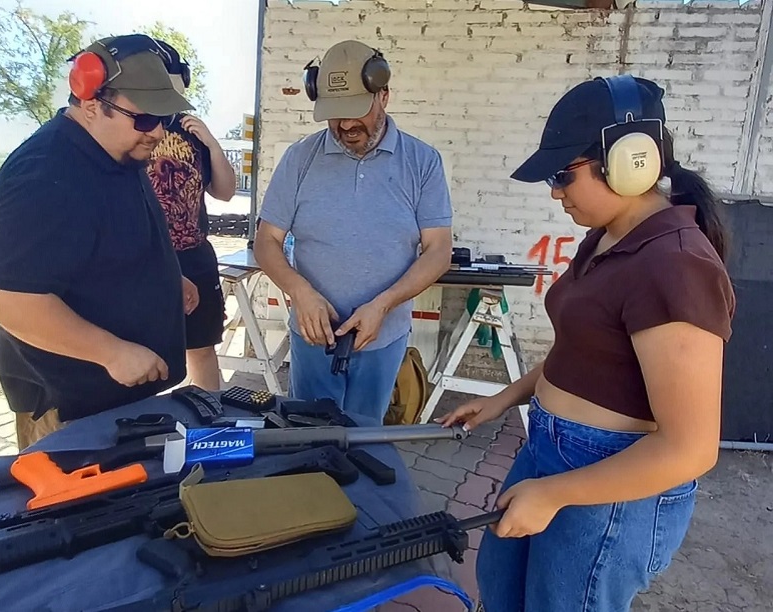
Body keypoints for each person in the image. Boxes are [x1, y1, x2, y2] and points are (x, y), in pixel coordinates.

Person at [439, 75, 736, 612]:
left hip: (610, 481)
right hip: (548, 450)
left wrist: (555, 493)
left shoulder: (675, 265)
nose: (555, 192)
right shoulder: (605, 237)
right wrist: (504, 399)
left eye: (563, 174)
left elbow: (691, 449)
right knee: (501, 587)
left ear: (632, 161)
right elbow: (581, 350)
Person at [0, 34, 197, 450]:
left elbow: (107, 239)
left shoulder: (119, 150)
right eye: (147, 118)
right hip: (70, 409)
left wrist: (167, 279)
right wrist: (112, 353)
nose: (157, 132)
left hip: (115, 401)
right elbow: (6, 300)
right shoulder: (44, 174)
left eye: (165, 119)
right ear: (92, 103)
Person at [254, 40, 453, 423]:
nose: (345, 125)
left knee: (366, 441)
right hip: (313, 336)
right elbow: (267, 241)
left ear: (384, 95)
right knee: (308, 437)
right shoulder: (299, 158)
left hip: (384, 335)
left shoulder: (423, 162)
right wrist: (300, 292)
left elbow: (438, 250)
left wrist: (383, 304)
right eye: (334, 114)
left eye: (355, 112)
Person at [147, 39, 237, 391]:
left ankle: (209, 421)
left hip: (194, 257)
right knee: (147, 351)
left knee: (200, 347)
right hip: (146, 257)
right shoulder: (133, 128)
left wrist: (213, 144)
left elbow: (225, 191)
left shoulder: (191, 130)